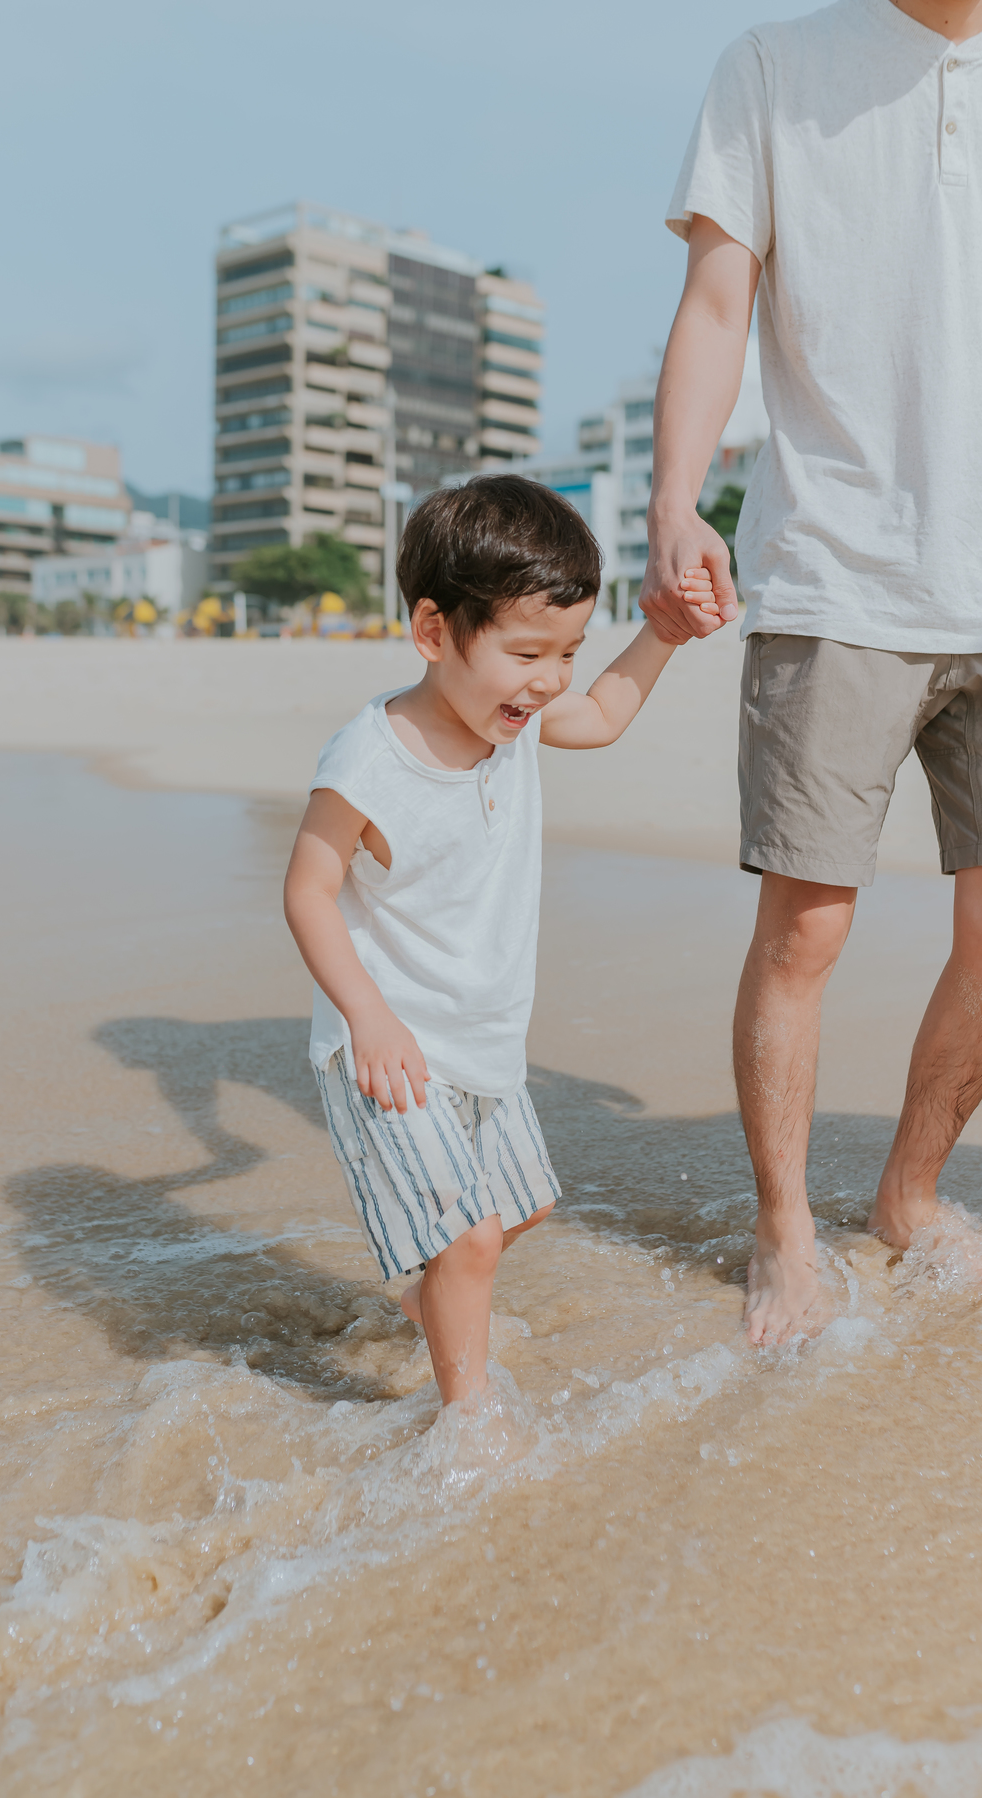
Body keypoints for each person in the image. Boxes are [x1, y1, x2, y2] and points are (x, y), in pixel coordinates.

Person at [642, 0, 982, 1346]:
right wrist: (678, 500)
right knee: (808, 926)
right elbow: (718, 299)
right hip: (834, 568)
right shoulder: (775, 66)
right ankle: (783, 1228)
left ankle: (909, 1195)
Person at [284, 476, 712, 1407]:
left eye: (566, 651)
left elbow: (599, 716)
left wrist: (665, 633)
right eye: (527, 652)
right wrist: (368, 1019)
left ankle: (432, 1299)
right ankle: (467, 1420)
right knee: (471, 1237)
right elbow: (309, 889)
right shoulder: (371, 757)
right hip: (391, 1047)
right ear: (435, 633)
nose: (550, 680)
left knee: (523, 1209)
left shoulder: (511, 720)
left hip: (484, 1036)